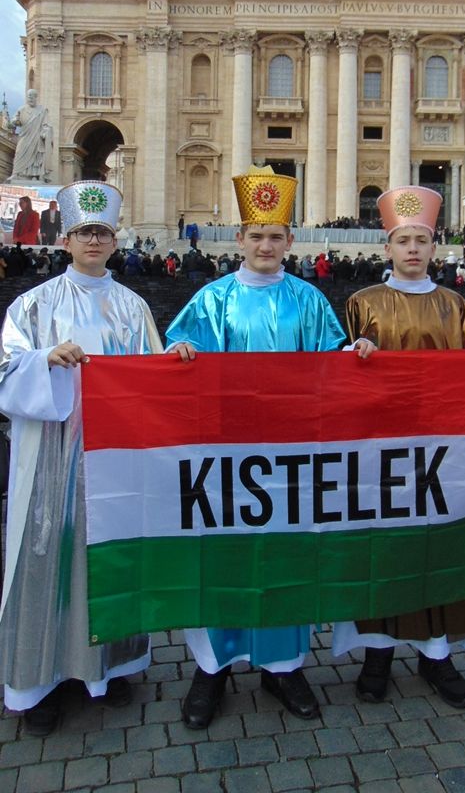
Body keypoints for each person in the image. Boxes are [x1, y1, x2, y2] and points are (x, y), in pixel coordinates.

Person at [165, 166, 373, 730]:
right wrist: (179, 354)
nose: (265, 245)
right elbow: (178, 355)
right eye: (256, 235)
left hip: (291, 455)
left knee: (288, 553)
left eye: (275, 236)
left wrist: (354, 353)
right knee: (222, 553)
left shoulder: (309, 299)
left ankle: (284, 666)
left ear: (290, 240)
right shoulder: (211, 300)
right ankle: (212, 667)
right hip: (225, 455)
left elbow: (331, 362)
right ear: (239, 239)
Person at [0, 180, 166, 736]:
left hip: (114, 454)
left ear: (115, 240)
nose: (93, 240)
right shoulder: (33, 304)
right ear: (66, 240)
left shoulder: (134, 306)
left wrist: (176, 359)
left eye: (102, 232)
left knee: (111, 556)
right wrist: (46, 358)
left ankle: (109, 666)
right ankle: (41, 681)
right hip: (53, 454)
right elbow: (6, 369)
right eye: (83, 232)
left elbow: (153, 377)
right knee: (48, 554)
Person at [333, 185, 465, 711]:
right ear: (388, 248)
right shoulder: (362, 303)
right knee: (384, 546)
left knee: (437, 547)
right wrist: (353, 353)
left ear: (435, 247)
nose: (413, 249)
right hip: (380, 452)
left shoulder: (457, 306)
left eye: (421, 240)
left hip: (440, 451)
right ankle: (377, 653)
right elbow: (338, 377)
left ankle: (436, 654)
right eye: (404, 241)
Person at [10, 89, 53, 183]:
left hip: (36, 137)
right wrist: (15, 121)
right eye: (29, 96)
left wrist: (45, 132)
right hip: (24, 136)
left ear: (36, 97)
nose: (30, 98)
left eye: (32, 96)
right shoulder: (21, 109)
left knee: (35, 157)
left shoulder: (42, 110)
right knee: (19, 152)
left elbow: (46, 124)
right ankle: (16, 173)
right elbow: (15, 119)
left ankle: (34, 175)